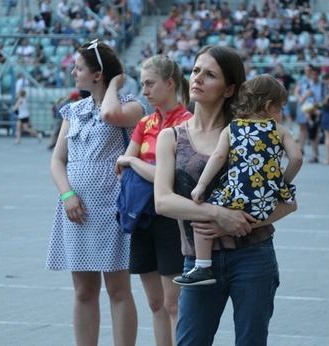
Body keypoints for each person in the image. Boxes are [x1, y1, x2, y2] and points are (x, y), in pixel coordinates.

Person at [154, 45, 298, 345]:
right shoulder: (172, 136)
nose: (197, 79)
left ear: (230, 88)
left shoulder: (252, 132)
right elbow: (163, 201)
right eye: (195, 71)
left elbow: (288, 203)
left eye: (209, 75)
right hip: (197, 263)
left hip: (253, 256)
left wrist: (241, 224)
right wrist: (218, 215)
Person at [46, 39, 144, 346]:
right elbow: (57, 161)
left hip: (114, 209)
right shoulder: (72, 110)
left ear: (98, 74)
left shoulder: (130, 105)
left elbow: (109, 116)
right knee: (83, 291)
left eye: (79, 68)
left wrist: (115, 84)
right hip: (77, 210)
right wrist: (67, 195)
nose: (73, 72)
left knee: (118, 291)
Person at [173, 74, 302, 286]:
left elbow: (218, 157)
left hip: (237, 194)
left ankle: (203, 266)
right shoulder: (279, 130)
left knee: (202, 215)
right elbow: (296, 158)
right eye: (280, 109)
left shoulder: (232, 129)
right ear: (269, 105)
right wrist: (282, 184)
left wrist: (201, 185)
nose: (280, 114)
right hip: (265, 200)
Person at [114, 54, 193, 346]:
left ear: (170, 83)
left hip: (171, 220)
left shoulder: (188, 123)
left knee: (174, 304)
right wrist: (137, 166)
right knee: (155, 303)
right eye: (143, 84)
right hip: (141, 217)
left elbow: (168, 177)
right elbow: (123, 168)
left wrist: (135, 164)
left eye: (150, 84)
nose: (144, 91)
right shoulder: (145, 122)